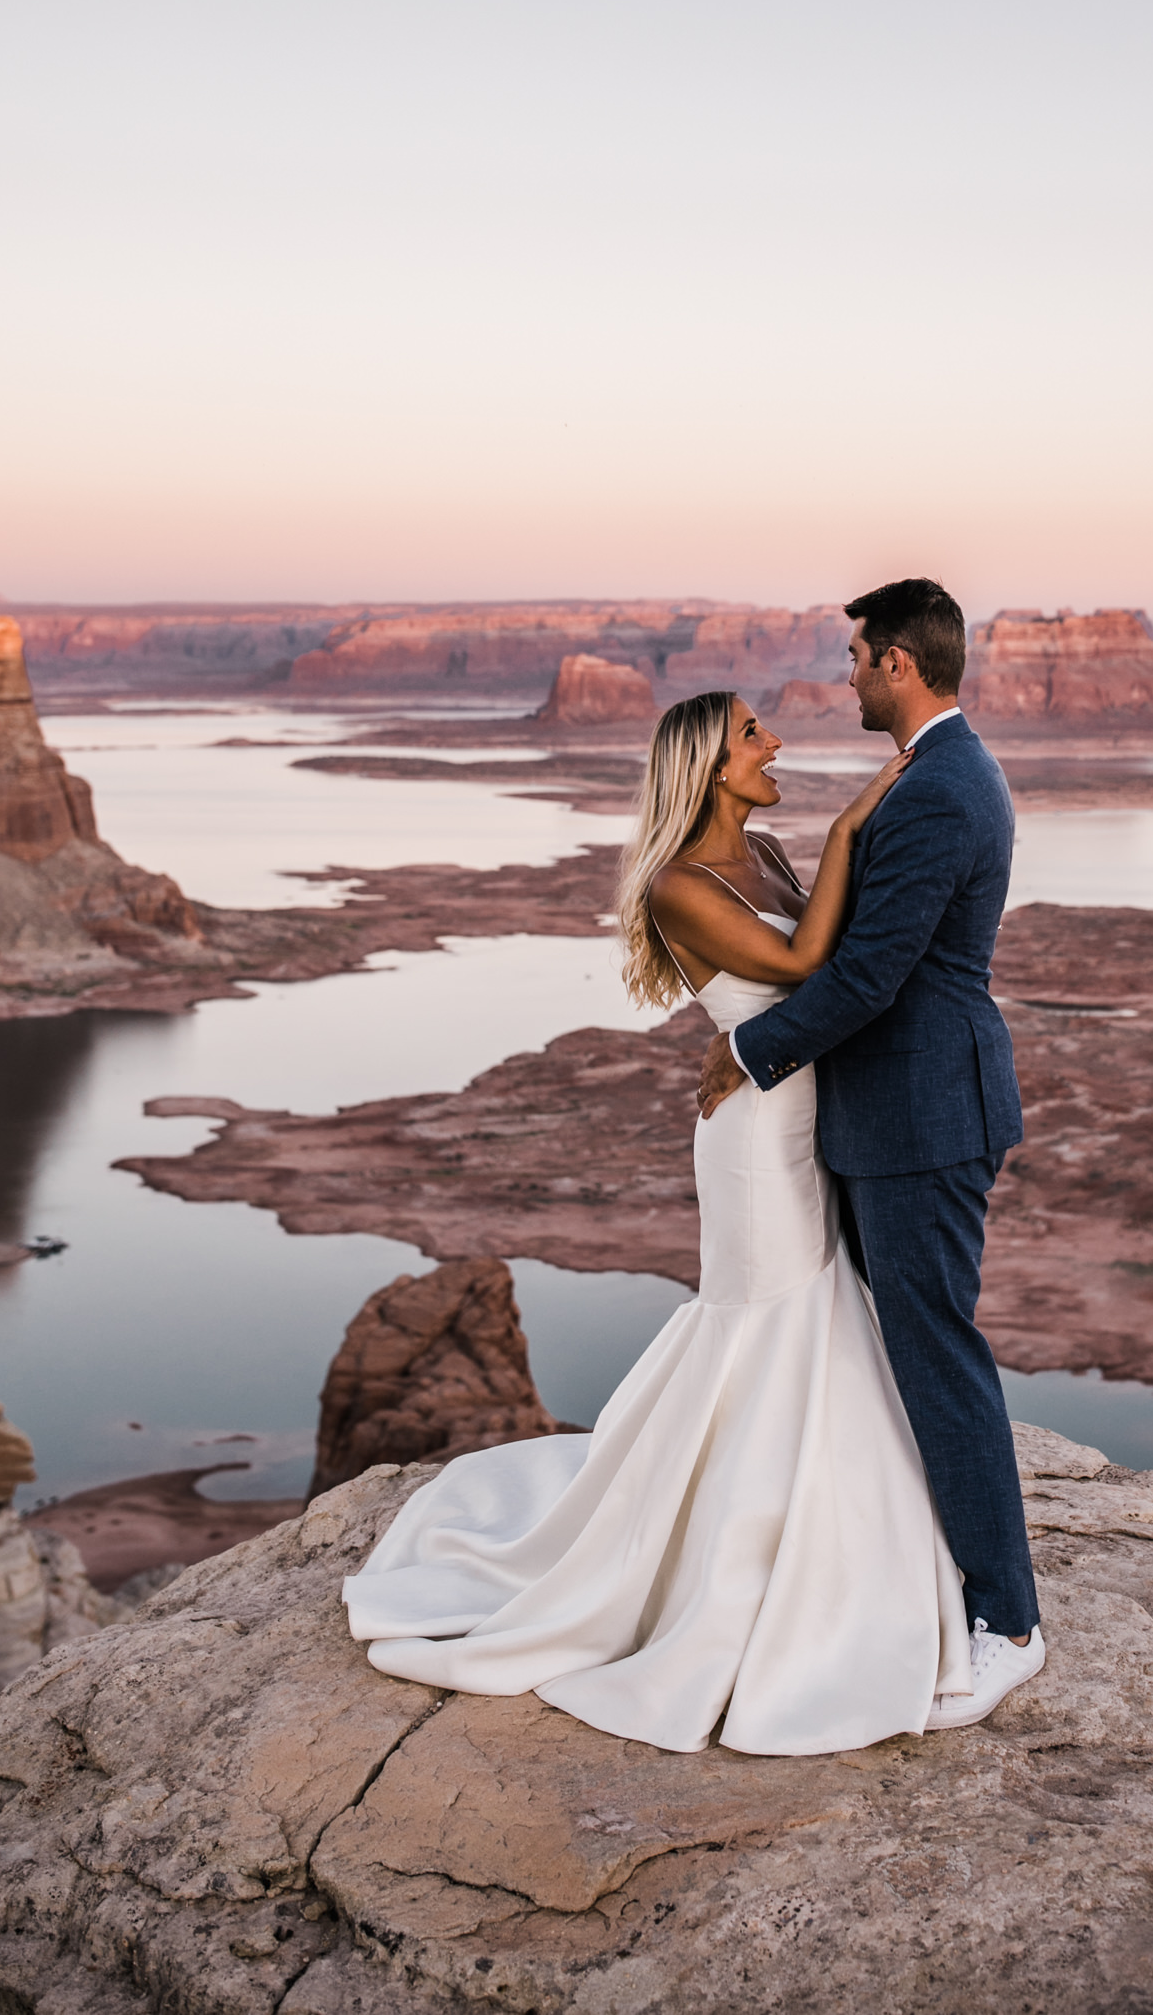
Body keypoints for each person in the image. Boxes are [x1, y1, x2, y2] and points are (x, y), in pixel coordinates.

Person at [340, 679, 977, 1754]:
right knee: (761, 1320)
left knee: (811, 1314)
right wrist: (847, 826)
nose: (771, 742)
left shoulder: (761, 857)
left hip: (802, 1118)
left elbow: (847, 949)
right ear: (706, 765)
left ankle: (809, 1531)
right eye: (749, 735)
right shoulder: (680, 882)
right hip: (750, 1144)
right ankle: (721, 1560)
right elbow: (798, 963)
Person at [695, 577, 1042, 1728]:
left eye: (854, 657)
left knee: (937, 1358)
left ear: (897, 664)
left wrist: (749, 1051)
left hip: (921, 1120)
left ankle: (1007, 1622)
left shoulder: (941, 790)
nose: (842, 676)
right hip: (898, 1115)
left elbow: (867, 977)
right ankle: (913, 1572)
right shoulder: (939, 773)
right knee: (893, 1353)